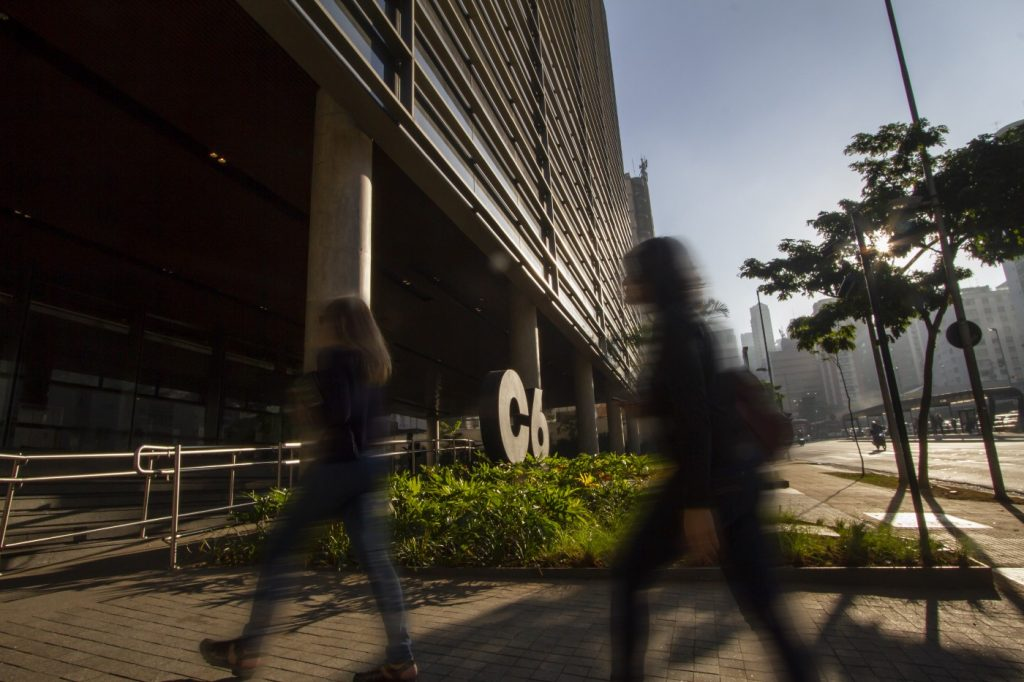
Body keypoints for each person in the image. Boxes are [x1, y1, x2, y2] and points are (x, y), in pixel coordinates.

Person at [610, 237, 815, 682]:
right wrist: (650, 406)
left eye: (633, 275)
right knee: (762, 604)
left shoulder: (677, 330)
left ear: (651, 279)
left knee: (628, 574)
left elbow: (697, 420)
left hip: (710, 482)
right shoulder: (689, 325)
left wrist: (698, 505)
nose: (626, 284)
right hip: (737, 479)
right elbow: (699, 403)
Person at [199, 296, 417, 681]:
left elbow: (337, 414)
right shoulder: (373, 364)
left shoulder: (335, 357)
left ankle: (248, 650)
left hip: (336, 469)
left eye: (324, 322)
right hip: (368, 469)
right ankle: (401, 661)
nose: (320, 330)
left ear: (339, 325)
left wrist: (307, 396)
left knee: (281, 549)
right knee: (379, 566)